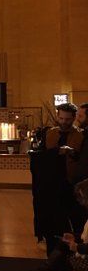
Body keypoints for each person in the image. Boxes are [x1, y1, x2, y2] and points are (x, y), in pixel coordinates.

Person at [39, 102, 85, 254]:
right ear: (57, 117)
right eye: (61, 118)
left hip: (71, 183)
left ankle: (73, 253)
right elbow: (42, 156)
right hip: (52, 183)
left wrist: (72, 153)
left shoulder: (80, 136)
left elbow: (82, 160)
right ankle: (53, 253)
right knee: (53, 220)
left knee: (73, 221)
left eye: (68, 119)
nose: (64, 122)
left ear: (74, 118)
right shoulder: (50, 134)